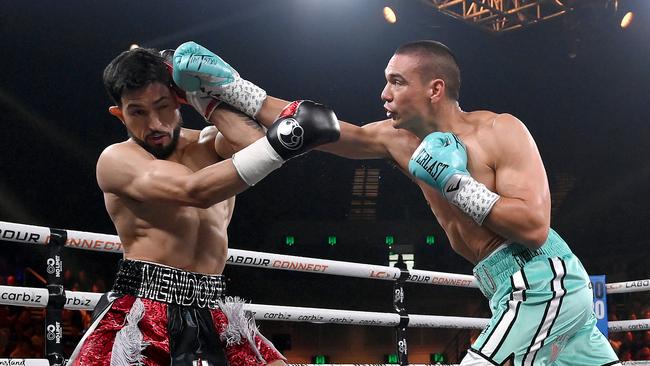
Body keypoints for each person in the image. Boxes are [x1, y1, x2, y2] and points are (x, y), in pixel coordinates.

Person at [170, 41, 620, 365]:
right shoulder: (396, 140)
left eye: (396, 82)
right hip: (504, 283)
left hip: (541, 278)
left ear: (434, 89)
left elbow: (534, 226)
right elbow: (317, 128)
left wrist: (455, 183)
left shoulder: (500, 131)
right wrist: (230, 87)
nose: (384, 94)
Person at [67, 47, 340, 366]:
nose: (155, 124)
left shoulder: (210, 143)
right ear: (119, 114)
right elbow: (194, 190)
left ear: (178, 99)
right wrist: (286, 141)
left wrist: (203, 98)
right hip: (145, 304)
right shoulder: (117, 160)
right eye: (137, 112)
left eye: (163, 106)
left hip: (213, 302)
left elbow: (255, 149)